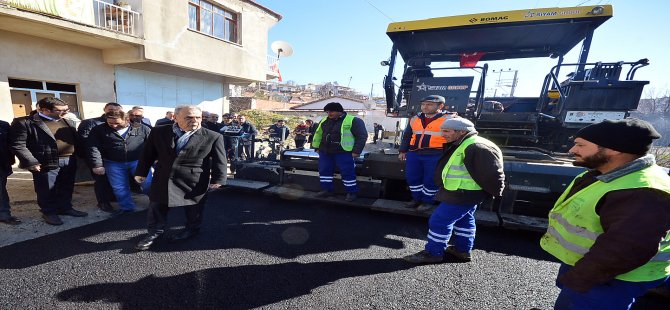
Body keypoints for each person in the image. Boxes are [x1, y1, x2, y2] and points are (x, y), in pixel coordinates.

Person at [539, 118, 670, 309]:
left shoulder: (642, 192)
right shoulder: (608, 173)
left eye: (581, 145)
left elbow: (625, 250)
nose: (572, 150)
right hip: (597, 270)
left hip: (611, 278)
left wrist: (580, 279)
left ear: (615, 149)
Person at [403, 117, 504, 264]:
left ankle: (433, 253)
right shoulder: (464, 143)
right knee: (464, 220)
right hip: (462, 191)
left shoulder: (476, 146)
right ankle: (462, 250)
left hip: (463, 193)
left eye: (446, 131)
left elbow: (492, 174)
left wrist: (495, 193)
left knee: (438, 221)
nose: (442, 134)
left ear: (461, 131)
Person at [133, 105, 227, 251]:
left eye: (198, 117)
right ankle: (154, 233)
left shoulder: (213, 136)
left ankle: (192, 229)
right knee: (157, 206)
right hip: (163, 177)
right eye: (189, 117)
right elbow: (148, 153)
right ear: (175, 118)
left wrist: (218, 179)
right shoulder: (158, 132)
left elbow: (220, 160)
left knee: (194, 208)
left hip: (194, 180)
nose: (194, 121)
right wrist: (141, 172)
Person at [10, 97, 88, 225]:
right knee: (46, 189)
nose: (66, 112)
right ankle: (49, 212)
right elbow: (18, 144)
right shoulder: (25, 122)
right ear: (45, 110)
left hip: (69, 160)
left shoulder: (67, 121)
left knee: (66, 186)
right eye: (61, 110)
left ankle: (65, 208)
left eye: (67, 109)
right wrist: (31, 162)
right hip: (44, 162)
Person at [87, 110, 152, 216]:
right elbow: (93, 147)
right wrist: (97, 164)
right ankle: (127, 208)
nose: (113, 126)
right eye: (110, 123)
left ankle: (156, 203)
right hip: (113, 163)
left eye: (117, 123)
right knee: (119, 187)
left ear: (127, 119)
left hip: (138, 162)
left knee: (147, 183)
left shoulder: (142, 128)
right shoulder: (99, 130)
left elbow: (152, 144)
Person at [398, 95, 454, 208]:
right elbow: (407, 135)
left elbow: (456, 137)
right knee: (413, 177)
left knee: (431, 180)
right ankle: (416, 199)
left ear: (441, 106)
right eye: (423, 104)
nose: (425, 107)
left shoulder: (450, 119)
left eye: (429, 104)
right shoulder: (415, 118)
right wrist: (403, 151)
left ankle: (427, 202)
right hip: (414, 153)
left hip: (436, 154)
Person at [312, 102, 368, 202]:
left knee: (347, 172)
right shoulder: (324, 120)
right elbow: (318, 134)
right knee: (324, 171)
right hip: (325, 152)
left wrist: (356, 151)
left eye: (331, 111)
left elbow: (362, 136)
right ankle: (327, 190)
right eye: (327, 112)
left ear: (339, 111)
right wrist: (316, 147)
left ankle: (352, 192)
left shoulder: (354, 120)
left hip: (344, 152)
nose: (329, 114)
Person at [77, 102, 122, 212]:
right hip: (97, 157)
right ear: (104, 109)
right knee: (101, 180)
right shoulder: (90, 122)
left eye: (116, 110)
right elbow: (86, 142)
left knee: (112, 178)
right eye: (110, 109)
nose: (113, 111)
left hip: (113, 157)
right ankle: (103, 202)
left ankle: (112, 197)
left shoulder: (118, 122)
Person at [0, 120, 19, 225]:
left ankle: (4, 214)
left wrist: (10, 161)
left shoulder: (3, 125)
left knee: (1, 190)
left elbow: (10, 144)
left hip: (1, 164)